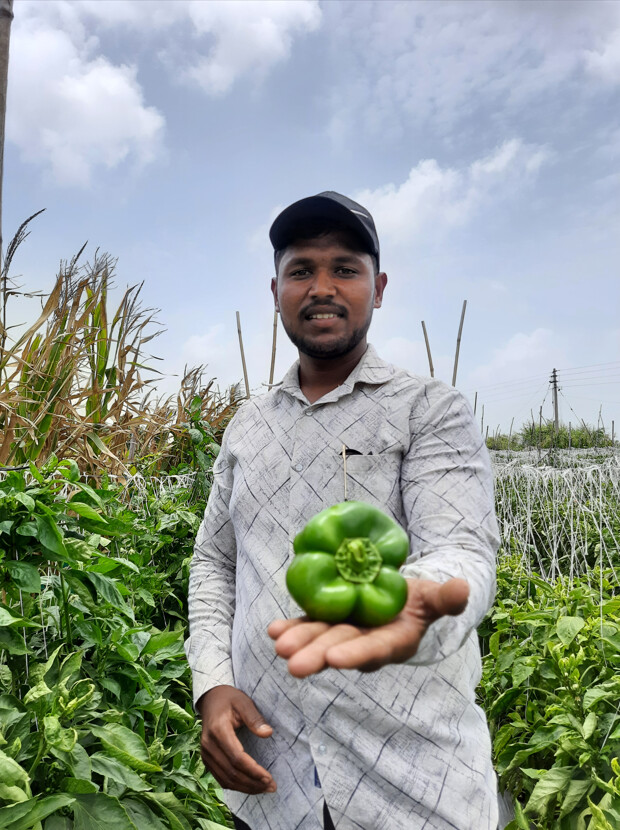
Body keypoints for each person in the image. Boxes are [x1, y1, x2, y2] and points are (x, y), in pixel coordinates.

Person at [185, 191, 500, 830]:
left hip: (413, 783)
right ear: (275, 289)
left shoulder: (429, 411)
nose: (321, 287)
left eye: (345, 269)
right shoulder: (247, 426)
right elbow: (216, 563)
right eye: (301, 270)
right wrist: (212, 684)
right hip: (273, 781)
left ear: (377, 288)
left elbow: (462, 554)